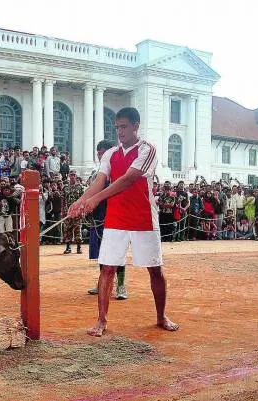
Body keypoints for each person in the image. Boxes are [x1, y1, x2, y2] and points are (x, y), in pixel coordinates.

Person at [68, 107, 178, 337]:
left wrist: (96, 200)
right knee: (107, 268)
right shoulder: (110, 154)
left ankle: (160, 316)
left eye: (124, 127)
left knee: (155, 270)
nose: (120, 131)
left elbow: (129, 179)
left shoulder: (147, 150)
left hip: (143, 219)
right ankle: (101, 320)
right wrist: (80, 201)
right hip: (116, 219)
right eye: (117, 127)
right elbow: (99, 181)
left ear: (136, 125)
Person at [86, 140, 126, 299]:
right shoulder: (96, 175)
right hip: (98, 218)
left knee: (118, 254)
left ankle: (121, 286)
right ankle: (102, 283)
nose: (99, 155)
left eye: (102, 152)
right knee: (102, 254)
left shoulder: (119, 173)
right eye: (98, 152)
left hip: (115, 219)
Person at [61, 170, 85, 254]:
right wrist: (62, 211)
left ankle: (79, 247)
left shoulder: (80, 187)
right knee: (67, 229)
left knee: (78, 228)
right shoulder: (65, 187)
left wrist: (82, 210)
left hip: (77, 211)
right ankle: (68, 247)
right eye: (71, 175)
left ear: (76, 176)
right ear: (69, 176)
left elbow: (83, 200)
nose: (72, 176)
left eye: (74, 175)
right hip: (67, 212)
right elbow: (63, 200)